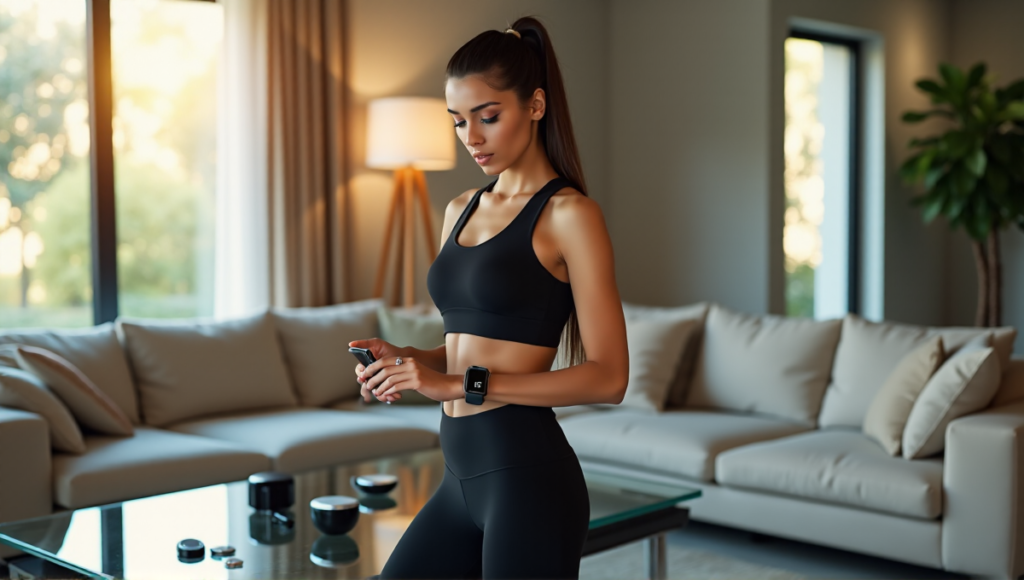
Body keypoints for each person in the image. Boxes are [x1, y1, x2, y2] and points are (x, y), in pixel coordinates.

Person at [349, 15, 629, 580]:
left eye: (488, 116)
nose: (471, 138)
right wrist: (410, 361)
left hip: (528, 480)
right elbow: (472, 339)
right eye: (458, 122)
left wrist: (456, 384)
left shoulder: (570, 215)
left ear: (535, 105)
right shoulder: (460, 209)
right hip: (459, 478)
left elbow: (608, 378)